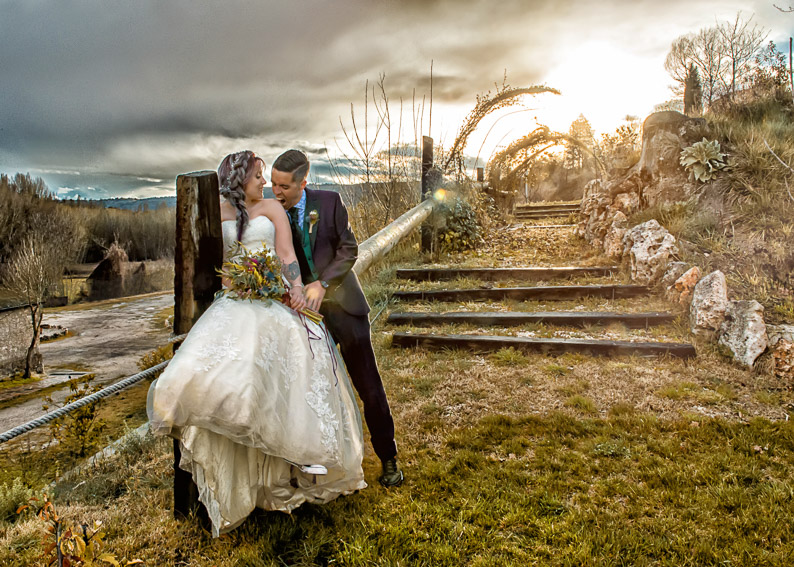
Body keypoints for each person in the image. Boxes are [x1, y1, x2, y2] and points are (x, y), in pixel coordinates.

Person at [147, 150, 366, 538]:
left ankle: (281, 471)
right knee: (222, 377)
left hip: (272, 301)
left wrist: (296, 290)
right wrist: (238, 283)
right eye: (258, 176)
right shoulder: (217, 212)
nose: (264, 183)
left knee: (282, 371)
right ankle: (237, 478)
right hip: (235, 302)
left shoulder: (272, 210)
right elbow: (217, 266)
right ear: (239, 179)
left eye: (266, 177)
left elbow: (286, 257)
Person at [270, 149, 403, 487]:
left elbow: (349, 250)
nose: (276, 192)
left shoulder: (329, 202)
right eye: (272, 184)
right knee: (314, 391)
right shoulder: (272, 215)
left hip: (345, 309)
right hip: (303, 319)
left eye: (284, 186)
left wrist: (323, 284)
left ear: (304, 180)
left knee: (368, 385)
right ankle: (321, 466)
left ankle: (388, 459)